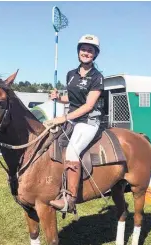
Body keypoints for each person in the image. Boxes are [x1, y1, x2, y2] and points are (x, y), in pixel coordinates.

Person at [45, 34, 104, 213]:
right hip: (74, 118)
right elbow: (73, 98)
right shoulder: (71, 74)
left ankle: (69, 199)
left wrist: (64, 118)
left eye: (90, 50)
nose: (86, 53)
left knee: (72, 150)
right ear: (78, 52)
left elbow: (88, 105)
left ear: (95, 54)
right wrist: (58, 98)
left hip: (89, 121)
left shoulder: (97, 77)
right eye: (83, 49)